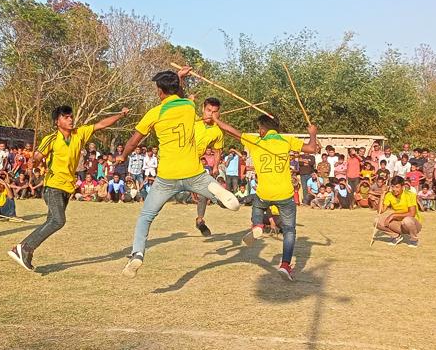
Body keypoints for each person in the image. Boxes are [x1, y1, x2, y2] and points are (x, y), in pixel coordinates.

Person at [115, 69, 240, 278]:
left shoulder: (155, 113)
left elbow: (134, 140)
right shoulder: (189, 106)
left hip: (167, 177)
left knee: (146, 217)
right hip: (194, 172)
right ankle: (221, 195)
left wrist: (123, 156)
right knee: (212, 192)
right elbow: (180, 96)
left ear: (160, 91)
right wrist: (180, 78)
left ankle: (137, 254)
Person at [7, 105, 129, 271]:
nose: (71, 119)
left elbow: (101, 125)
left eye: (71, 116)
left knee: (52, 221)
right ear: (57, 122)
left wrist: (120, 115)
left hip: (68, 187)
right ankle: (25, 248)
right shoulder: (51, 139)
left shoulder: (80, 133)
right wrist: (33, 162)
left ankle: (23, 250)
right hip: (53, 186)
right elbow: (37, 157)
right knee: (58, 221)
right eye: (66, 117)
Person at [214, 114, 319, 280]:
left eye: (259, 128)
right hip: (285, 193)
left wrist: (216, 120)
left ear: (262, 130)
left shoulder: (256, 141)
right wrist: (312, 132)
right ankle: (285, 265)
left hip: (264, 192)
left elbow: (231, 131)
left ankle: (258, 225)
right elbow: (312, 148)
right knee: (290, 230)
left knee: (258, 204)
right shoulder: (287, 141)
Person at [193, 97, 227, 236]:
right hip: (179, 161)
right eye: (208, 110)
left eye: (214, 112)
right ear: (202, 109)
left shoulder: (218, 131)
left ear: (218, 114)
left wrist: (215, 167)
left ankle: (200, 220)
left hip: (196, 165)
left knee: (202, 195)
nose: (210, 114)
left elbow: (217, 150)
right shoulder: (193, 120)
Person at [376, 176, 422, 248]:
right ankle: (396, 236)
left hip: (414, 224)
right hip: (399, 224)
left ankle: (414, 239)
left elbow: (412, 213)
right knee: (377, 221)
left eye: (397, 187)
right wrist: (382, 194)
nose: (394, 189)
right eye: (392, 187)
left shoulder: (410, 195)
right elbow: (380, 211)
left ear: (402, 187)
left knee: (407, 220)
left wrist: (393, 215)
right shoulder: (389, 195)